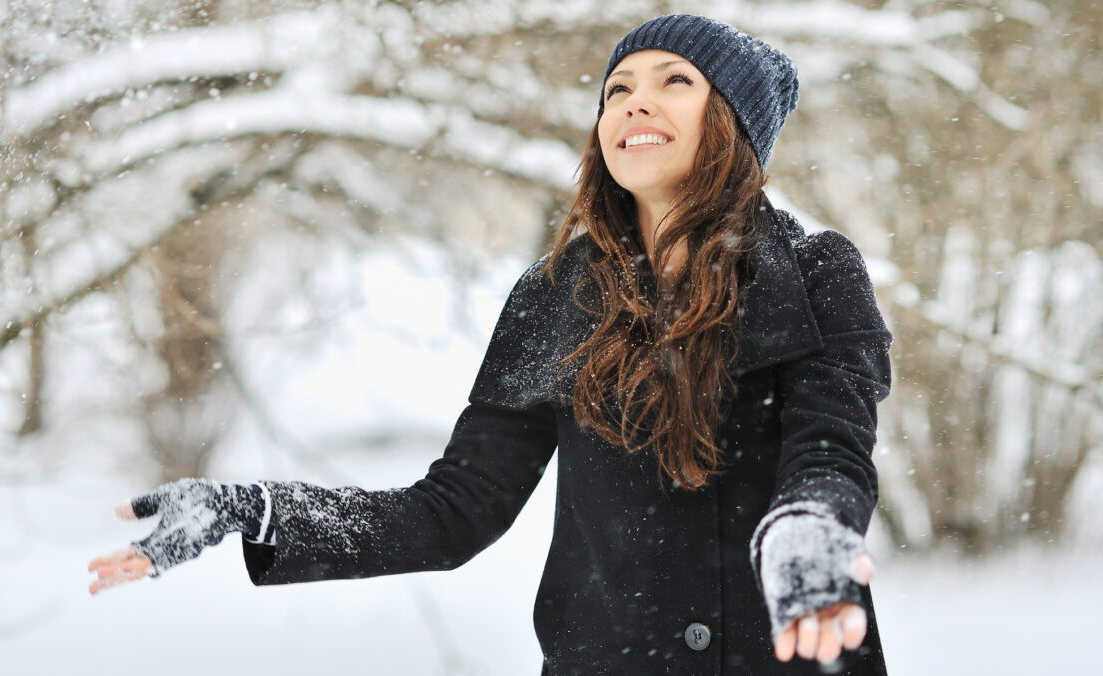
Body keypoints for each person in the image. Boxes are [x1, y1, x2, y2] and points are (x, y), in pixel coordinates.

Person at [89, 14, 892, 676]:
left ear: (732, 124)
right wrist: (256, 511)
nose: (634, 105)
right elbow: (452, 512)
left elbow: (831, 448)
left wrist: (808, 527)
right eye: (618, 90)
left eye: (674, 82)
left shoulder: (816, 272)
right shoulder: (554, 296)